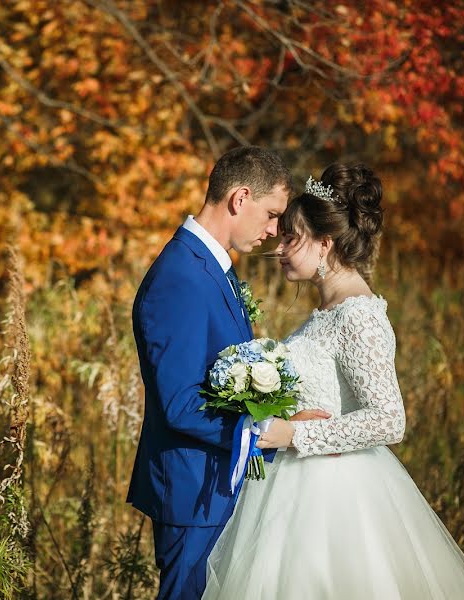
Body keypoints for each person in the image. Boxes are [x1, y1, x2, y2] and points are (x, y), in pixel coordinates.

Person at [202, 164, 464, 599]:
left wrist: (292, 433)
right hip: (292, 491)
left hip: (336, 500)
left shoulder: (359, 315)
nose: (279, 249)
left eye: (292, 238)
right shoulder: (328, 312)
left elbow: (390, 420)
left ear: (325, 243)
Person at [127, 146, 326, 600]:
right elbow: (180, 404)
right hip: (193, 491)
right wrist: (270, 429)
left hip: (215, 484)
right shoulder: (181, 276)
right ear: (240, 198)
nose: (276, 230)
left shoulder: (211, 269)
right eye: (273, 214)